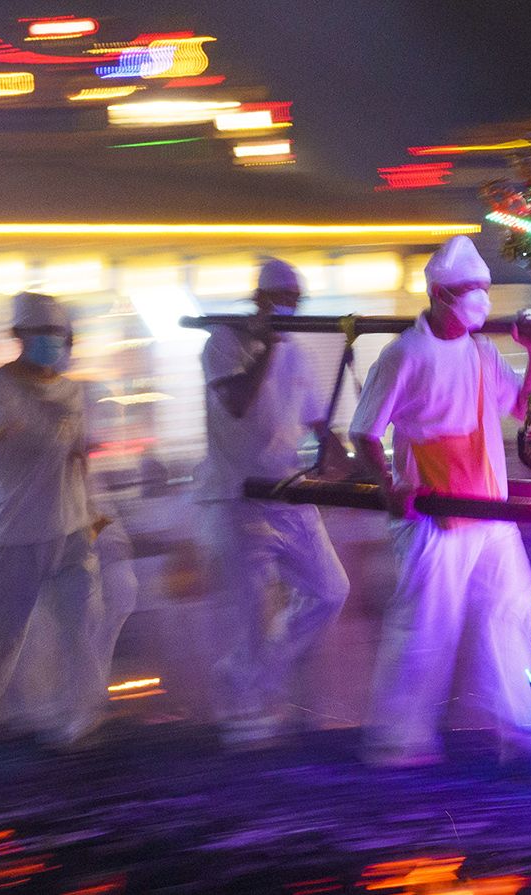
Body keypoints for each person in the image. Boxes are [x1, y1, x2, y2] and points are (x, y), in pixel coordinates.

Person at [349, 235, 531, 768]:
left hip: (490, 513)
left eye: (485, 290)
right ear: (441, 294)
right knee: (425, 627)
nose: (482, 300)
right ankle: (399, 740)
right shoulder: (404, 355)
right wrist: (390, 488)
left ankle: (523, 724)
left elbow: (526, 410)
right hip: (434, 519)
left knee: (511, 609)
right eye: (473, 290)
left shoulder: (484, 353)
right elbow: (365, 435)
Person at [195, 258, 352, 747]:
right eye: (281, 301)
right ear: (259, 300)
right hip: (239, 495)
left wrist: (345, 455)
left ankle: (247, 677)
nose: (289, 310)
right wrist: (269, 344)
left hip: (287, 491)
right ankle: (246, 714)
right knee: (254, 616)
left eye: (295, 302)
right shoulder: (222, 343)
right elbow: (239, 403)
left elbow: (317, 423)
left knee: (330, 590)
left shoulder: (297, 353)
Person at [0, 292, 110, 747]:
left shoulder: (75, 391)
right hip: (14, 531)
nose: (51, 343)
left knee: (85, 621)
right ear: (19, 337)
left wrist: (93, 515)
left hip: (72, 528)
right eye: (42, 335)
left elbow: (78, 456)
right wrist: (54, 425)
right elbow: (20, 438)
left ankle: (80, 719)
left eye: (57, 335)